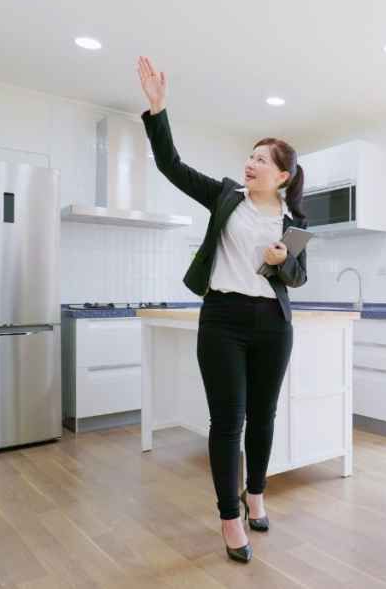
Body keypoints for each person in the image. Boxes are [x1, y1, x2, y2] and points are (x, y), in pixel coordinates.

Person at [136, 56, 308, 564]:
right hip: (223, 321)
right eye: (250, 155)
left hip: (273, 325)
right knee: (227, 420)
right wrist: (158, 109)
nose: (251, 162)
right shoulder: (224, 196)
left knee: (264, 416)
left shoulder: (294, 218)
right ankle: (230, 518)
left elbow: (298, 277)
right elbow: (171, 166)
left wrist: (281, 262)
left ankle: (256, 493)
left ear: (281, 175)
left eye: (262, 158)